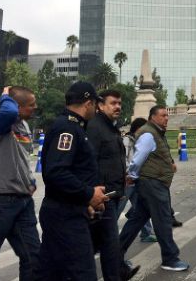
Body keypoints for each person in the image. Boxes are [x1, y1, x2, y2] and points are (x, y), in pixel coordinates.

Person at [34, 82, 110, 281]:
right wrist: (88, 194)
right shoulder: (67, 129)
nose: (96, 108)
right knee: (82, 273)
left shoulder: (74, 127)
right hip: (65, 216)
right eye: (95, 104)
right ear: (88, 103)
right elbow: (56, 172)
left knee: (49, 272)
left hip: (66, 210)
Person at [119, 106, 190, 272]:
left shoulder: (156, 133)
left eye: (167, 115)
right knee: (163, 220)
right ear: (152, 117)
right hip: (153, 183)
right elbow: (138, 159)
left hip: (152, 183)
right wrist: (133, 176)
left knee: (137, 219)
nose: (167, 118)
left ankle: (115, 253)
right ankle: (170, 259)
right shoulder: (149, 134)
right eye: (163, 115)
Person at [0, 86, 41, 280]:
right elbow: (8, 112)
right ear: (17, 106)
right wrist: (6, 96)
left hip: (23, 201)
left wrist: (31, 180)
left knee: (33, 257)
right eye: (31, 105)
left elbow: (22, 156)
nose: (35, 107)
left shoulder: (23, 125)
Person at [86, 90, 140, 281]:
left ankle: (119, 272)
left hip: (112, 193)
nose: (118, 106)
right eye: (113, 103)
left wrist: (122, 175)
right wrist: (92, 195)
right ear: (100, 105)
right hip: (102, 196)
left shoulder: (110, 127)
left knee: (102, 244)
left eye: (119, 103)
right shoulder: (95, 127)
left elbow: (111, 158)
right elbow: (89, 162)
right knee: (108, 244)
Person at [120, 118, 156, 243]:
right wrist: (128, 173)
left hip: (137, 179)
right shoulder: (127, 140)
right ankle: (104, 238)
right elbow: (124, 159)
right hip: (128, 179)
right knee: (117, 209)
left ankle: (146, 233)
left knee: (142, 206)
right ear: (138, 129)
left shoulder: (140, 141)